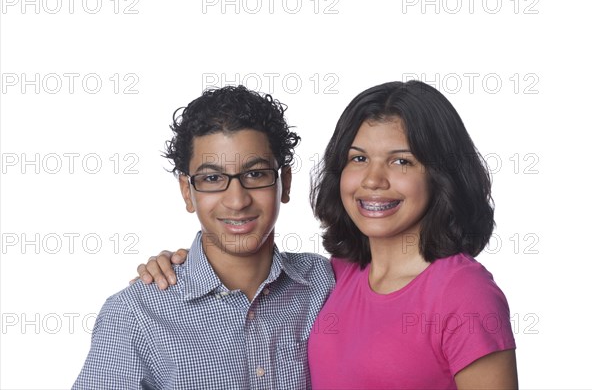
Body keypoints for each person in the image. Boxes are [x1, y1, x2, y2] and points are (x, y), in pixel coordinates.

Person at [137, 81, 518, 389]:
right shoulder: (333, 279)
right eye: (358, 158)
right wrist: (180, 266)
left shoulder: (464, 294)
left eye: (402, 160)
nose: (373, 179)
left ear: (440, 174)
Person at [73, 85, 334, 389]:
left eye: (256, 174)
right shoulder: (135, 315)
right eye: (212, 178)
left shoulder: (325, 284)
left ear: (284, 183)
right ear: (187, 192)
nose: (237, 200)